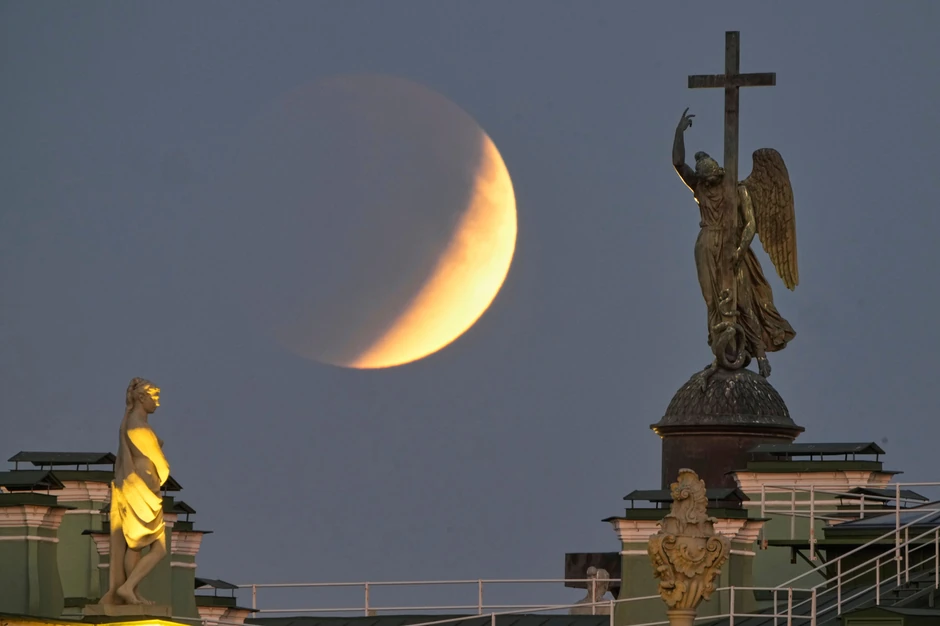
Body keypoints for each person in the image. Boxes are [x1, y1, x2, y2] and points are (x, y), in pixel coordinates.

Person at [100, 377, 169, 606]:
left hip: (140, 484)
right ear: (141, 397)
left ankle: (131, 592)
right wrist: (163, 473)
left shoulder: (131, 422)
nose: (157, 402)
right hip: (143, 486)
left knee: (135, 544)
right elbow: (161, 465)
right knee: (157, 548)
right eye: (154, 397)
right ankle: (128, 587)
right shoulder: (139, 427)